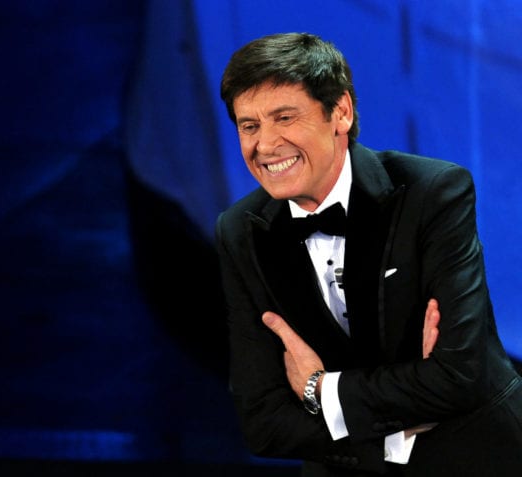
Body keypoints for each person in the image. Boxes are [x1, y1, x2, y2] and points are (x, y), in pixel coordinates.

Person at [215, 32, 522, 476]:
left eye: (284, 117)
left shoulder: (432, 193)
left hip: (475, 456)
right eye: (249, 126)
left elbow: (460, 376)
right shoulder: (240, 229)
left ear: (340, 111)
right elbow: (263, 422)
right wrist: (395, 429)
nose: (264, 145)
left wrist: (319, 389)